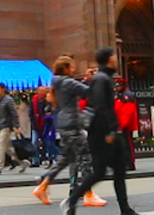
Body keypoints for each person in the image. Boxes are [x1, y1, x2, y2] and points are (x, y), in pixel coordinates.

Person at [62, 47, 138, 215]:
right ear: (110, 59)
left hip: (104, 131)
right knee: (100, 172)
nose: (117, 60)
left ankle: (125, 208)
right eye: (115, 57)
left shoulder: (104, 78)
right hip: (103, 133)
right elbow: (101, 106)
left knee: (118, 170)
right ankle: (73, 200)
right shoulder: (103, 79)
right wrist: (111, 131)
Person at [33, 55, 101, 207]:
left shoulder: (57, 83)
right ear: (65, 68)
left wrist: (86, 79)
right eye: (71, 67)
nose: (73, 69)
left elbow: (76, 88)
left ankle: (42, 186)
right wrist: (95, 79)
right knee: (85, 157)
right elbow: (88, 92)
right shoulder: (67, 82)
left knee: (65, 158)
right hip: (73, 124)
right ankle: (88, 193)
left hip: (63, 124)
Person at [0, 83, 26, 174]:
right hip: (0, 126)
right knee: (8, 149)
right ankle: (23, 162)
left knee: (0, 146)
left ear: (3, 89)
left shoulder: (8, 100)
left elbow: (14, 113)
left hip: (6, 126)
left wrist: (16, 126)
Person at [114, 80, 138, 170]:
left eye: (118, 86)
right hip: (120, 124)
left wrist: (124, 124)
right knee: (123, 145)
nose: (117, 88)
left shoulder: (127, 95)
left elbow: (128, 111)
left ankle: (129, 163)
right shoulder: (120, 95)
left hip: (124, 125)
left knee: (127, 145)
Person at [31, 86, 47, 166]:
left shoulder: (47, 100)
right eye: (41, 91)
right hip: (35, 125)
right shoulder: (34, 100)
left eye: (44, 91)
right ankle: (35, 160)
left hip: (45, 125)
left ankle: (45, 158)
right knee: (34, 142)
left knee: (46, 142)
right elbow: (30, 112)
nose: (42, 93)